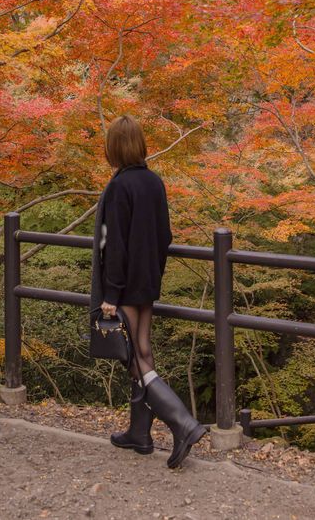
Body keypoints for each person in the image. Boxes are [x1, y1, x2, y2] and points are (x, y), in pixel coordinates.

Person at [90, 114, 206, 468]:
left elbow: (114, 245)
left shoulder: (118, 187)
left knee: (135, 359)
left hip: (123, 283)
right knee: (141, 349)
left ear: (114, 147)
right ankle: (139, 434)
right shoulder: (155, 182)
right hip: (148, 279)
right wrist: (152, 270)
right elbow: (165, 236)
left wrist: (110, 293)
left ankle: (182, 423)